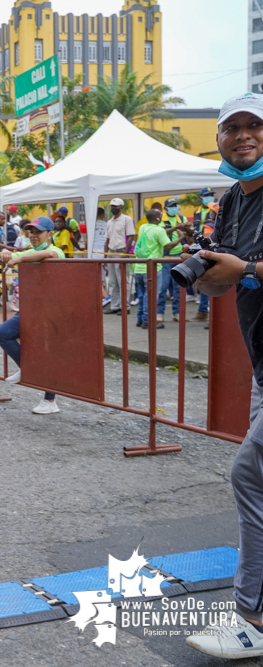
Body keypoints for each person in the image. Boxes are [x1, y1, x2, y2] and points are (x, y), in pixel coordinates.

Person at [185, 92, 263, 660]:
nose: (243, 136)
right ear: (218, 139)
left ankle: (250, 620)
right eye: (231, 127)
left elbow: (250, 270)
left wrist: (248, 268)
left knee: (250, 474)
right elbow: (227, 281)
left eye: (254, 126)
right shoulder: (234, 198)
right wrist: (206, 273)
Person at [0, 217, 64, 414]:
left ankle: (50, 401)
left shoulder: (56, 251)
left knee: (46, 354)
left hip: (50, 312)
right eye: (30, 232)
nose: (33, 236)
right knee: (3, 333)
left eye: (38, 232)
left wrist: (20, 258)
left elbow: (50, 253)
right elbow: (19, 253)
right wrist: (7, 252)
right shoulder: (31, 251)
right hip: (31, 310)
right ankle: (27, 368)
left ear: (50, 234)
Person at [133, 208, 182, 329]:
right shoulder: (159, 230)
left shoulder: (143, 227)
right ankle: (147, 321)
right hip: (151, 268)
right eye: (160, 215)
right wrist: (181, 238)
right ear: (158, 218)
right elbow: (168, 246)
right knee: (150, 295)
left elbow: (161, 234)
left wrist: (174, 228)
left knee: (141, 295)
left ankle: (140, 319)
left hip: (138, 266)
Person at [157, 196, 192, 323]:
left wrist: (187, 228)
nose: (174, 208)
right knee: (163, 286)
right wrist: (178, 227)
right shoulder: (161, 218)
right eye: (171, 206)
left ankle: (177, 313)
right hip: (166, 257)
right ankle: (159, 313)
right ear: (166, 208)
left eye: (175, 205)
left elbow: (190, 234)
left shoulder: (181, 218)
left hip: (179, 256)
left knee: (179, 287)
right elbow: (161, 233)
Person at [104, 199, 135, 315]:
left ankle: (124, 306)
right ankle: (115, 305)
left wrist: (124, 255)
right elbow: (107, 240)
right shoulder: (109, 222)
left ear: (121, 207)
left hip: (121, 251)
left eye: (115, 206)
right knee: (113, 281)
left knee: (123, 281)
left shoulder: (127, 219)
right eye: (112, 206)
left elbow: (131, 237)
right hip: (111, 253)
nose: (113, 208)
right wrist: (105, 258)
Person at [190, 187, 217, 322]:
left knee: (210, 280)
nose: (209, 198)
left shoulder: (215, 209)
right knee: (203, 280)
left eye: (211, 195)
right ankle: (203, 311)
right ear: (201, 198)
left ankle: (209, 312)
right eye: (207, 195)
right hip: (199, 248)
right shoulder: (197, 212)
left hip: (211, 248)